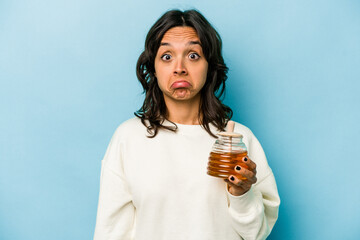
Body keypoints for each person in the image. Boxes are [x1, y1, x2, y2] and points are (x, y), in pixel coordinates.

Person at [94, 9, 280, 240]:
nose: (179, 67)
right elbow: (111, 232)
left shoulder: (240, 139)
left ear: (210, 66)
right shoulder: (128, 138)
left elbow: (257, 234)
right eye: (167, 56)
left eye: (193, 55)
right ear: (153, 68)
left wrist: (242, 194)